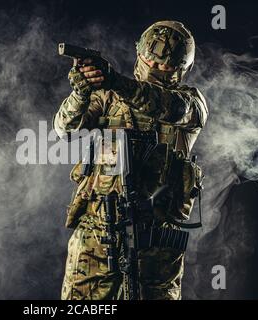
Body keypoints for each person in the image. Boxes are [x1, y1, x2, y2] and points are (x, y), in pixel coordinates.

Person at [53, 21, 208, 300]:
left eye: (165, 66)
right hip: (98, 228)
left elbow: (166, 106)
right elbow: (65, 130)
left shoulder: (190, 103)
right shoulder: (108, 96)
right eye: (151, 60)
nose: (155, 68)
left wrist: (116, 81)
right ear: (140, 54)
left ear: (181, 69)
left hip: (155, 238)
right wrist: (81, 93)